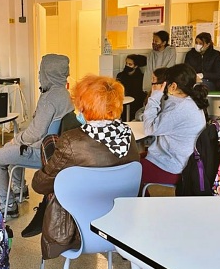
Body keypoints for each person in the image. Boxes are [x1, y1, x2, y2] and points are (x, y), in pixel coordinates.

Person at [31, 75, 140, 259]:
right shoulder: (128, 134)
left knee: (49, 145)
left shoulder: (72, 140)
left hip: (78, 228)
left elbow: (40, 185)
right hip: (119, 225)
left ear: (84, 106)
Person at [0, 54, 74, 218]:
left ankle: (9, 205)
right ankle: (20, 188)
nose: (39, 74)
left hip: (40, 152)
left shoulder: (50, 99)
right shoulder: (63, 93)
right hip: (52, 148)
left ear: (48, 73)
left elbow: (35, 133)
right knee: (10, 149)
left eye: (41, 70)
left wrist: (16, 139)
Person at [141, 63, 209, 191]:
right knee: (136, 158)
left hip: (173, 166)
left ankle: (139, 203)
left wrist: (154, 96)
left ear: (173, 86)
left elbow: (149, 128)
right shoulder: (189, 101)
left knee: (129, 170)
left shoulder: (180, 108)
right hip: (181, 160)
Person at [116, 54, 147, 120]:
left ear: (136, 66)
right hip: (122, 104)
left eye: (130, 64)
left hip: (136, 106)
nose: (127, 66)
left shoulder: (141, 78)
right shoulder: (120, 76)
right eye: (126, 63)